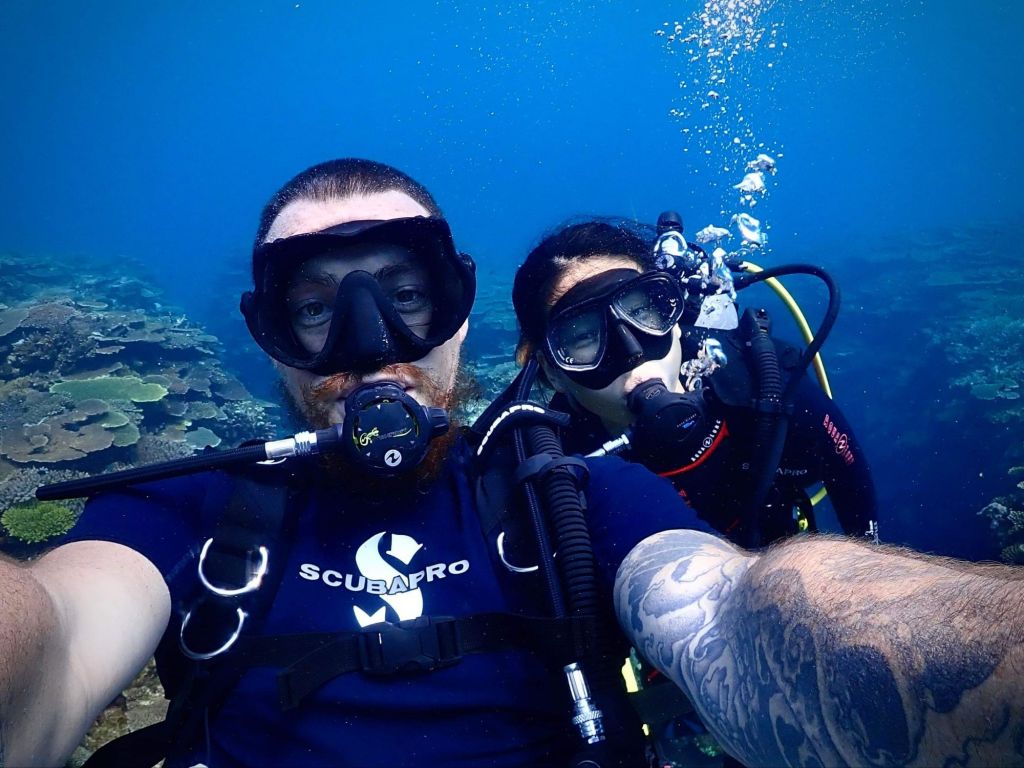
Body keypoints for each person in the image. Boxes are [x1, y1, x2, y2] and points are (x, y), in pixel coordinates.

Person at [0, 160, 1021, 768]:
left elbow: (737, 614)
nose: (369, 344)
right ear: (267, 334)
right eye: (314, 308)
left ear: (458, 313)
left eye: (407, 296)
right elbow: (54, 637)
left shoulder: (573, 493)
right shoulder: (186, 506)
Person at [511, 219, 877, 548]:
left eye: (643, 311)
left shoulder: (761, 382)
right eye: (583, 337)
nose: (633, 351)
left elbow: (851, 480)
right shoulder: (553, 461)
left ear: (675, 315)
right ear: (552, 371)